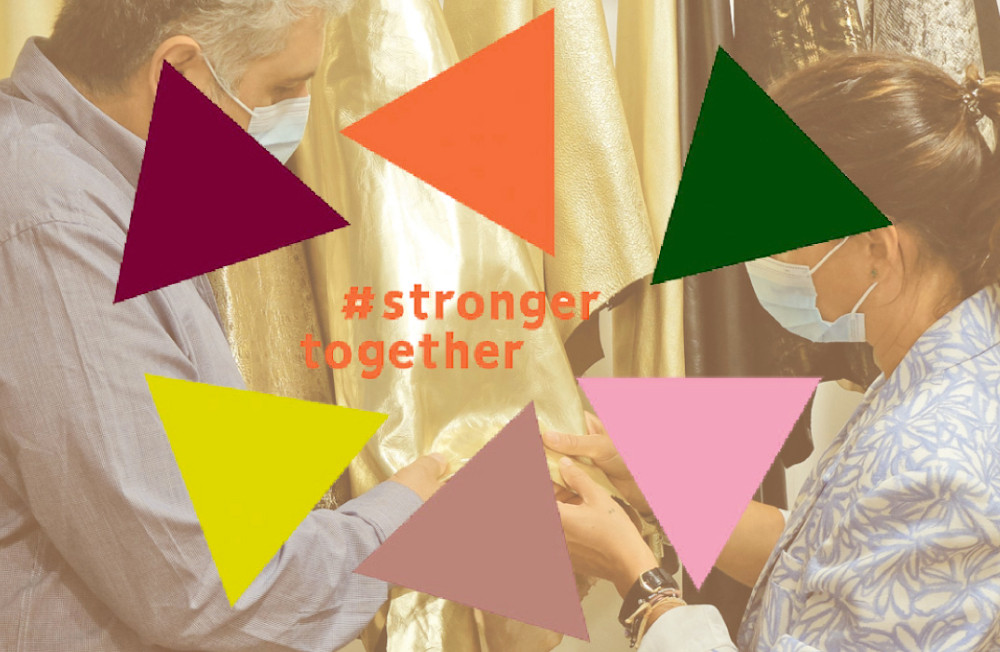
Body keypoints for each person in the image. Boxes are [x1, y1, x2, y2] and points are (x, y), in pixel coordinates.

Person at [0, 2, 450, 650]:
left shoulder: (95, 181)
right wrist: (407, 516)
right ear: (179, 72)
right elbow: (197, 587)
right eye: (281, 89)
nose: (296, 116)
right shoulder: (54, 223)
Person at [547, 52, 1000, 651]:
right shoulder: (939, 368)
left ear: (876, 250)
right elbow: (827, 563)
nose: (765, 251)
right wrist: (661, 488)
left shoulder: (936, 467)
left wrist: (640, 583)